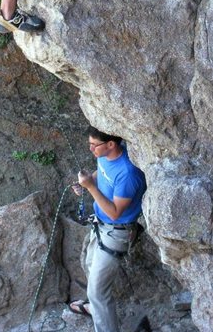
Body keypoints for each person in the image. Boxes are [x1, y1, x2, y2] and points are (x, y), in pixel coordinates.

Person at [70, 127, 147, 332]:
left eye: (94, 145)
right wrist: (89, 182)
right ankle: (96, 309)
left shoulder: (128, 173)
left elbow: (115, 213)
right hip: (101, 225)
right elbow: (102, 174)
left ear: (111, 144)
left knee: (97, 293)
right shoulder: (104, 156)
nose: (90, 149)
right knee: (88, 263)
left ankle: (100, 313)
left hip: (116, 231)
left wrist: (91, 188)